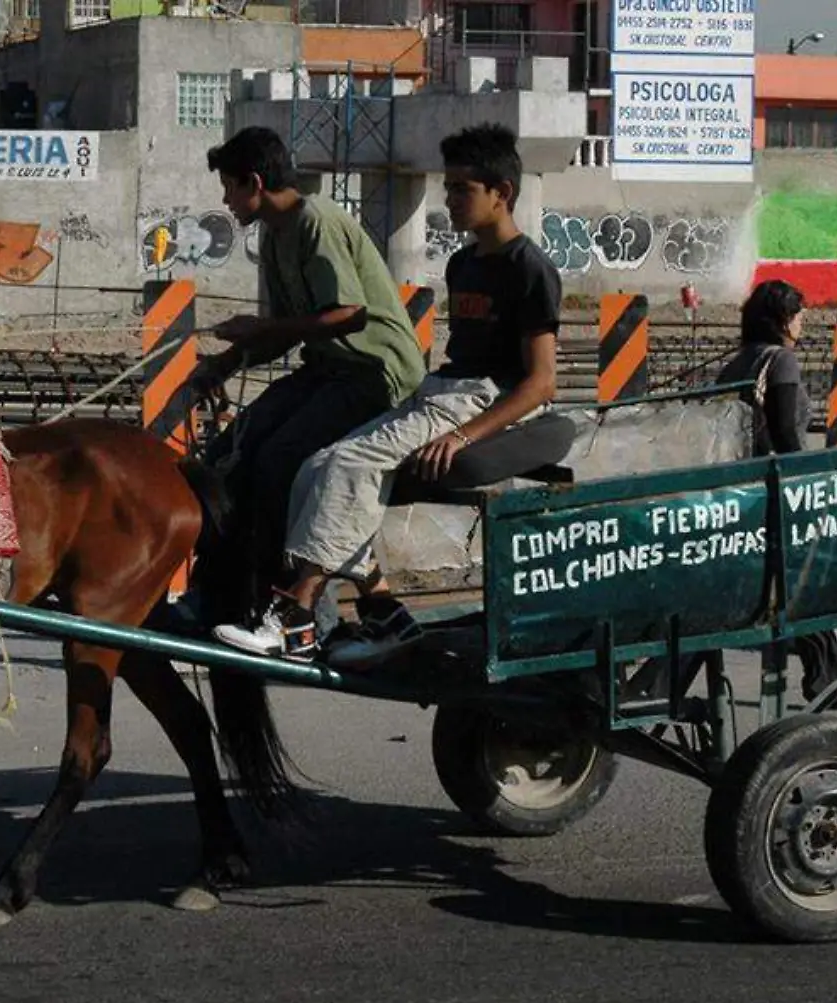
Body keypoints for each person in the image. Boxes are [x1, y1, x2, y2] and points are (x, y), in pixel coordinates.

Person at [214, 123, 561, 665]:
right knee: (318, 466)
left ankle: (296, 615)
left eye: (461, 189)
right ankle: (385, 613)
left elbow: (541, 383)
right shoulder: (463, 263)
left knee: (348, 462)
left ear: (502, 193)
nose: (449, 200)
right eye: (447, 188)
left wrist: (463, 434)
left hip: (479, 400)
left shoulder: (529, 269)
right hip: (442, 388)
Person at [189, 126, 428, 640]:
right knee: (233, 448)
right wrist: (225, 363)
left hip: (374, 374)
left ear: (254, 182)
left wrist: (260, 329)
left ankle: (279, 605)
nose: (225, 200)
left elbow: (349, 315)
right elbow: (287, 331)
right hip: (326, 371)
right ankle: (215, 594)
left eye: (229, 187)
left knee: (279, 459)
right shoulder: (275, 237)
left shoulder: (316, 221)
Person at [717, 279, 837, 706]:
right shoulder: (780, 361)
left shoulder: (740, 360)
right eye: (799, 315)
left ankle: (827, 675)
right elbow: (782, 432)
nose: (803, 323)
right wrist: (805, 482)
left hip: (742, 491)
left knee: (795, 584)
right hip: (773, 491)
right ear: (783, 319)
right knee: (800, 581)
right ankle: (827, 677)